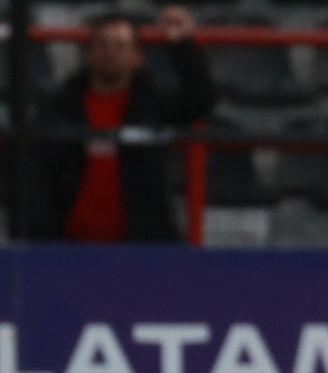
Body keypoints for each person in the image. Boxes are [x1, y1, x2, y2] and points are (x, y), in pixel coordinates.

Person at [28, 6, 216, 243]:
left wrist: (182, 44)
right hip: (67, 249)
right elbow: (36, 177)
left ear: (138, 56)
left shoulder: (152, 104)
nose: (110, 52)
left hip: (141, 249)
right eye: (102, 45)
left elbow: (201, 99)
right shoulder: (60, 107)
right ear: (88, 54)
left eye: (120, 46)